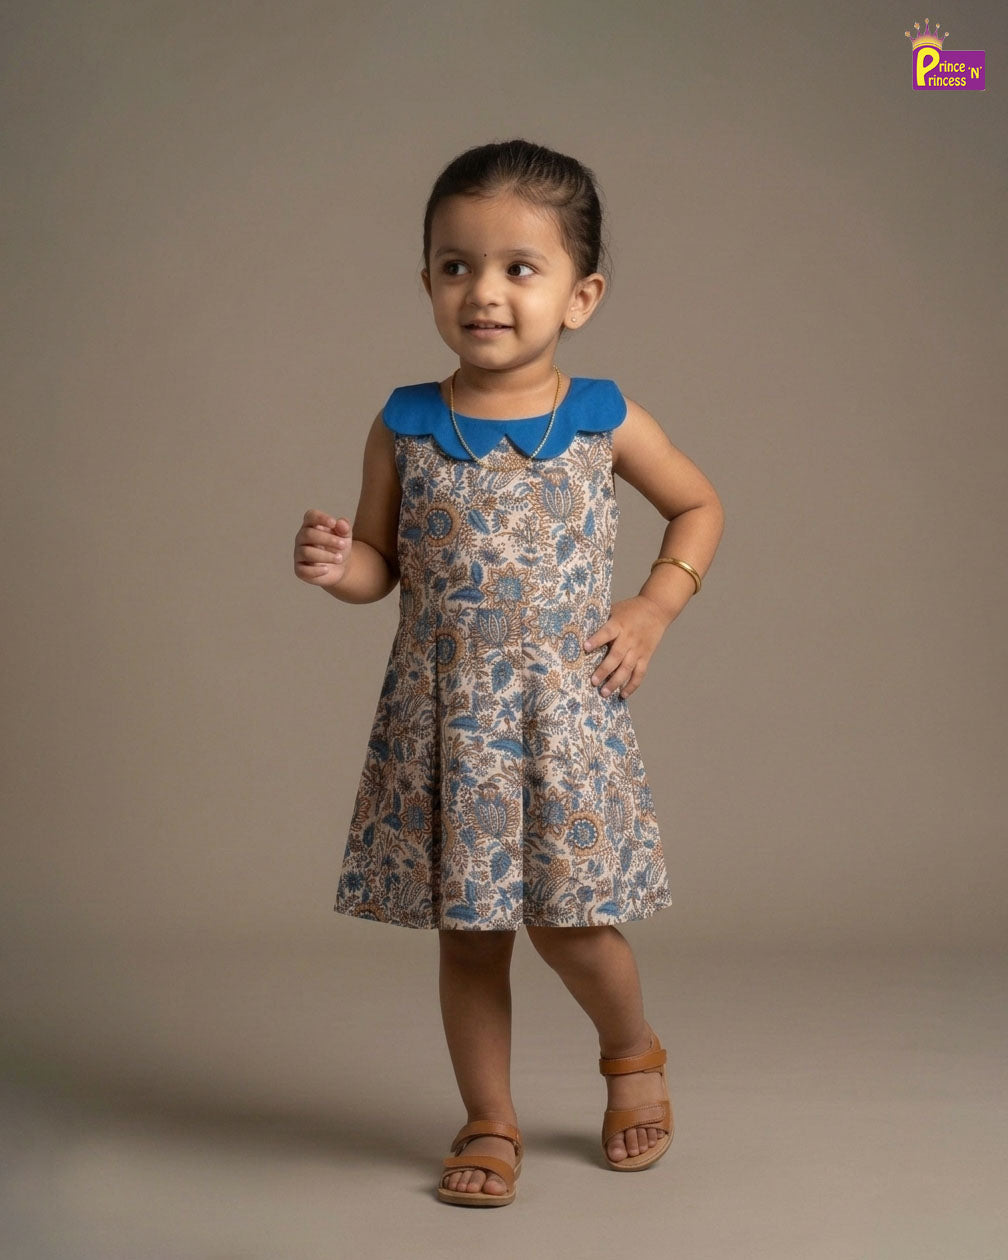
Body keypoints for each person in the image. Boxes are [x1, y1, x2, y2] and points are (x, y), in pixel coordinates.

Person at [293, 139, 724, 1206]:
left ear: (581, 296)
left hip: (563, 709)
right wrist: (336, 563)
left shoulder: (601, 415)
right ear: (430, 281)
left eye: (517, 269)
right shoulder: (404, 424)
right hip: (446, 717)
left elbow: (699, 506)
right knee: (472, 936)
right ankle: (488, 1121)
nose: (483, 291)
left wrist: (655, 607)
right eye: (455, 265)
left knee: (573, 921)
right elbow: (383, 569)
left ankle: (633, 1057)